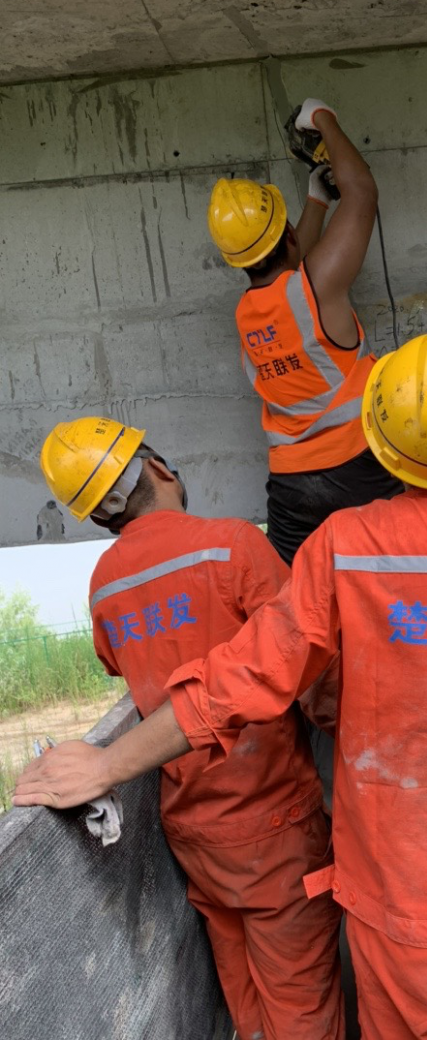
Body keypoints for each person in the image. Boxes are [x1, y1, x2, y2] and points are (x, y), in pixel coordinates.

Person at [18, 331, 427, 1040]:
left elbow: (238, 680)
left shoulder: (346, 549)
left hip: (398, 915)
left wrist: (106, 762)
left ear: (381, 449)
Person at [36, 416, 344, 1040]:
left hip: (194, 832)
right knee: (302, 1005)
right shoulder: (232, 544)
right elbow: (309, 674)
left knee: (246, 1004)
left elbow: (126, 666)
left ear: (99, 517)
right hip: (275, 823)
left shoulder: (105, 588)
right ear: (158, 468)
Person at [207, 96, 403, 568]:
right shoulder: (316, 290)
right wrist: (322, 119)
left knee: (300, 608)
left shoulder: (249, 313)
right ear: (289, 235)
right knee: (389, 587)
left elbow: (292, 265)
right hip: (358, 467)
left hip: (292, 488)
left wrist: (316, 198)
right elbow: (362, 194)